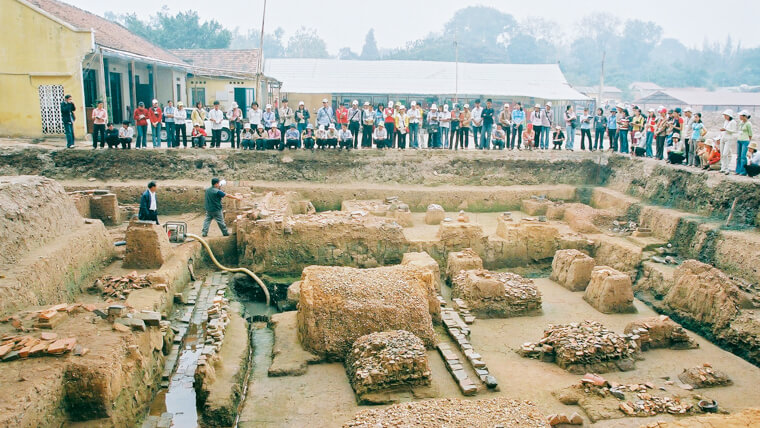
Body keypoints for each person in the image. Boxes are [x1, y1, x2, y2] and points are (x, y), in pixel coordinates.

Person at [719, 109, 738, 174]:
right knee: (722, 153)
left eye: (726, 115)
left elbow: (734, 130)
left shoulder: (733, 122)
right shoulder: (726, 121)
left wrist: (726, 129)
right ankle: (723, 167)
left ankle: (727, 168)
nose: (725, 117)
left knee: (725, 153)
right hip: (723, 137)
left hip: (728, 138)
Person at [736, 110, 753, 175]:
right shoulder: (741, 123)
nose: (740, 117)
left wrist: (749, 141)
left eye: (741, 116)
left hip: (745, 140)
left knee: (743, 156)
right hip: (739, 140)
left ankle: (743, 171)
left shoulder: (748, 124)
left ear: (744, 116)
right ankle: (738, 170)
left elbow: (750, 133)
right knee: (739, 156)